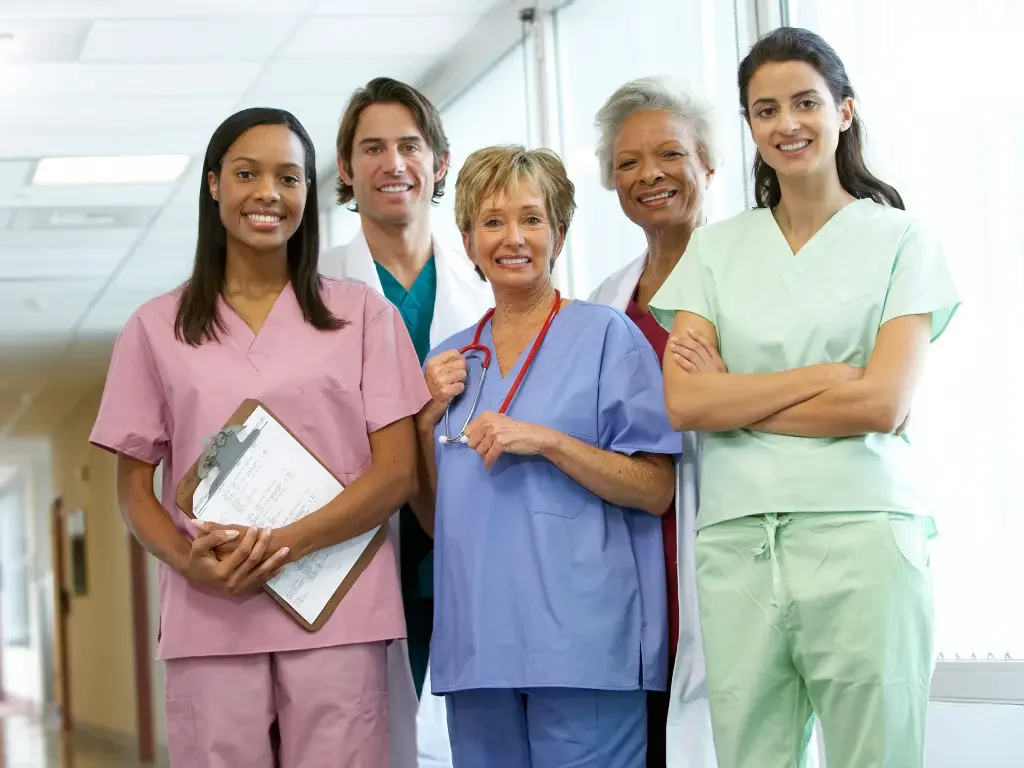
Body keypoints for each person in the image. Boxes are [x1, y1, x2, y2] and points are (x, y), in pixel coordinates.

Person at [650, 27, 959, 768]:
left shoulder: (901, 239)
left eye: (805, 102)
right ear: (750, 127)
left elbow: (881, 405)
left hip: (864, 539)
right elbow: (686, 404)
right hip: (739, 546)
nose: (786, 123)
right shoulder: (716, 250)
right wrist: (824, 377)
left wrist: (739, 395)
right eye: (764, 110)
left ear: (844, 111)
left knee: (875, 756)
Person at [89, 107, 430, 768]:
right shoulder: (155, 328)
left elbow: (396, 474)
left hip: (337, 605)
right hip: (212, 609)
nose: (269, 193)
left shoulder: (362, 314)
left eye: (290, 177)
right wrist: (190, 564)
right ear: (214, 184)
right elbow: (134, 491)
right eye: (248, 173)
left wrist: (282, 544)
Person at [412, 145, 680, 767]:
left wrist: (550, 441)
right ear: (468, 238)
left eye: (532, 219)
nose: (513, 237)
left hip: (582, 646)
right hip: (479, 646)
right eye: (493, 221)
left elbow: (654, 486)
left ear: (558, 233)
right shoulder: (451, 361)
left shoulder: (606, 335)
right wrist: (424, 422)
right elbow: (436, 518)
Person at [319, 77, 491, 768]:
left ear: (439, 162)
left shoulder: (487, 286)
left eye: (409, 146)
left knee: (469, 736)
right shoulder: (314, 290)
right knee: (367, 737)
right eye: (372, 148)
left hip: (465, 534)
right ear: (345, 169)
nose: (393, 163)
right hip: (356, 541)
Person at [588, 76, 720, 768]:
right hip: (636, 559)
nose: (650, 176)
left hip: (724, 541)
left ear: (708, 163)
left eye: (669, 154)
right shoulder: (606, 300)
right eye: (629, 163)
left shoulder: (743, 274)